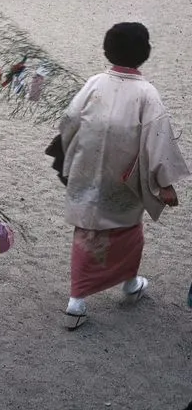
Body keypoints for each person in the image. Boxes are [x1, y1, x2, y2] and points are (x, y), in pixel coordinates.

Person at [59, 22, 189, 330]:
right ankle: (129, 284)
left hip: (89, 174)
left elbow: (70, 120)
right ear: (145, 53)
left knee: (88, 233)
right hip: (124, 180)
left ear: (108, 50)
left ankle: (77, 301)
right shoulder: (147, 93)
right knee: (128, 233)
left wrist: (70, 153)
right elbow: (157, 139)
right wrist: (164, 183)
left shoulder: (94, 82)